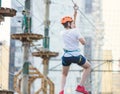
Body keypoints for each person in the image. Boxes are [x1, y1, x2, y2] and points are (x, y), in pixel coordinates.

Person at [59, 13, 91, 94]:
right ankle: (80, 86)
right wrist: (80, 36)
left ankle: (61, 91)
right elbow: (83, 42)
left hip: (66, 57)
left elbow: (72, 30)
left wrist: (75, 14)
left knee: (64, 74)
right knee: (88, 67)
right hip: (76, 56)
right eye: (72, 23)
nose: (74, 24)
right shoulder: (76, 31)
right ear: (69, 24)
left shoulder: (62, 33)